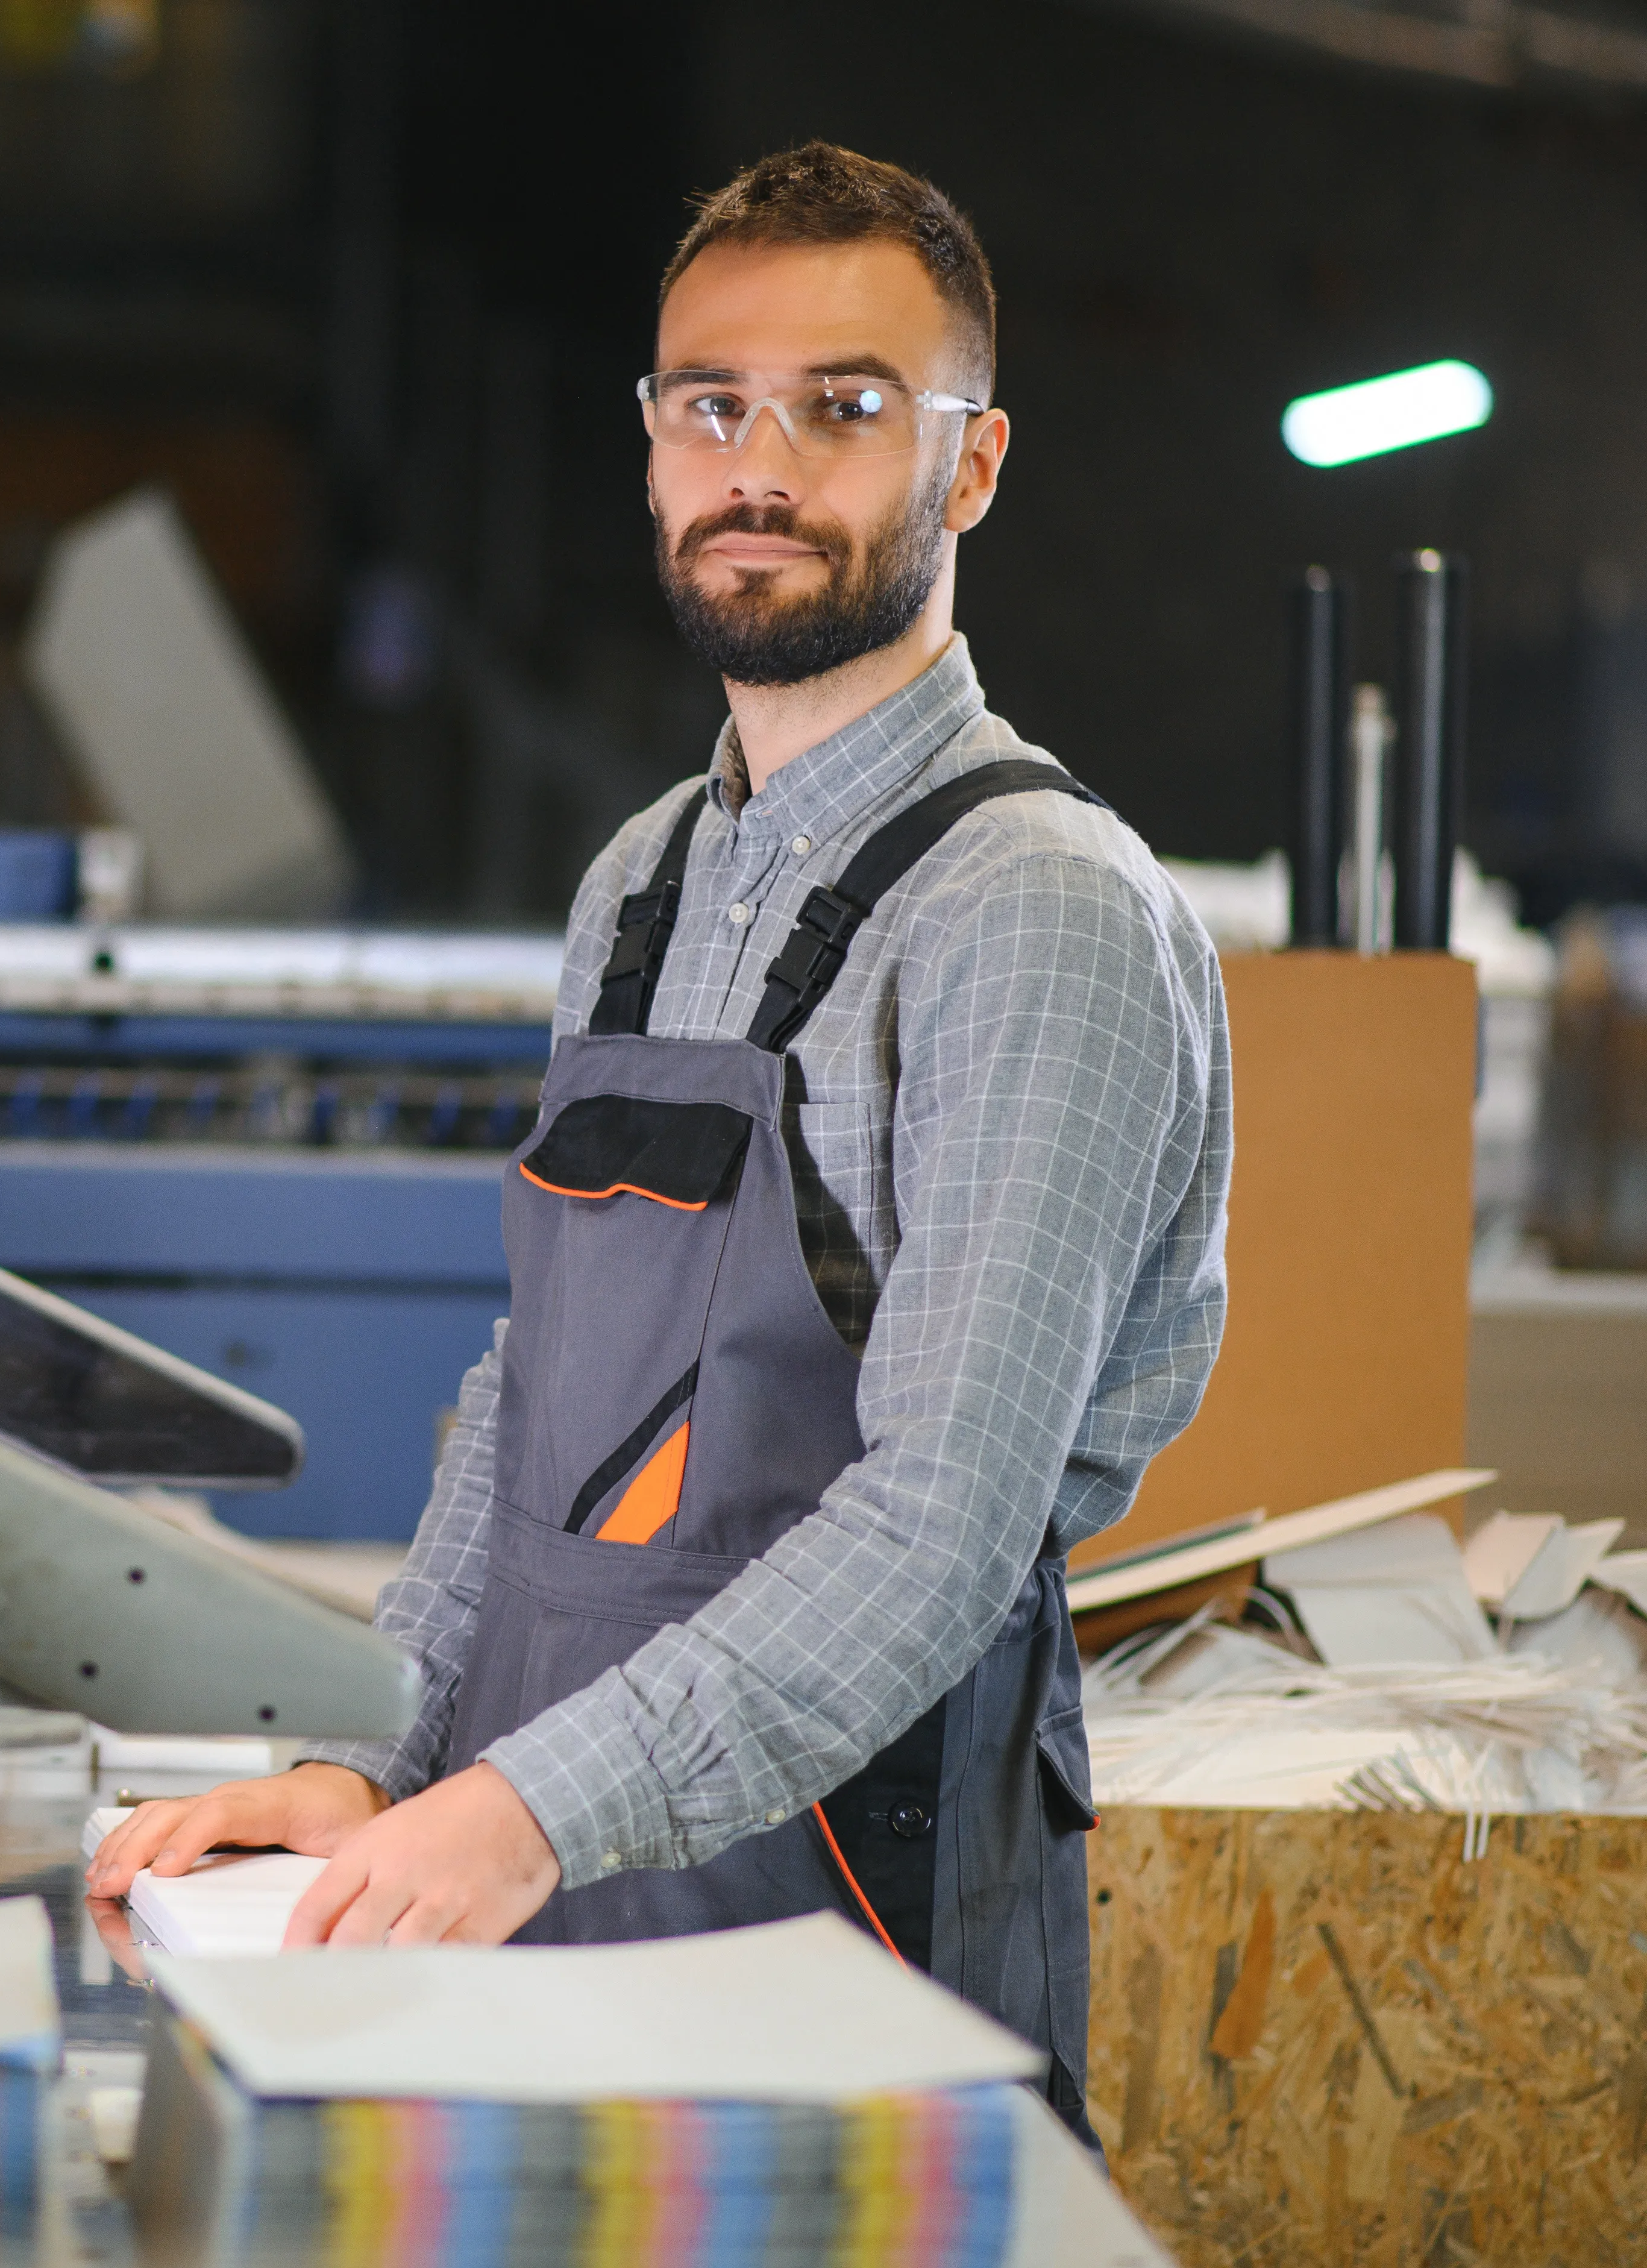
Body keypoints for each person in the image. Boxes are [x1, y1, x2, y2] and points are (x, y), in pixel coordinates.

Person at [84, 142, 1230, 2134]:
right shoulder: (640, 883)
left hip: (835, 1937)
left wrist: (519, 1812)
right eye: (711, 406)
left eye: (845, 410)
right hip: (543, 1904)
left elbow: (938, 1531)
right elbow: (539, 1400)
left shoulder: (1029, 910)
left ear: (968, 466)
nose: (760, 465)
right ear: (648, 447)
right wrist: (381, 1754)